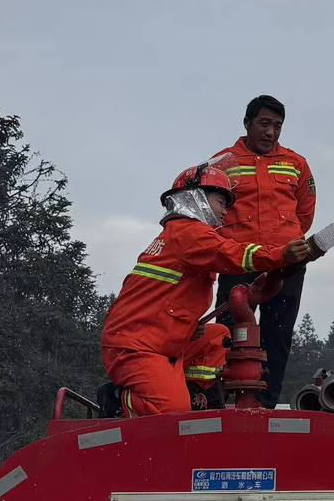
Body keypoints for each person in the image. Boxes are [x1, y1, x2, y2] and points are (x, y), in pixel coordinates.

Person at [99, 160, 310, 417]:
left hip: (158, 340)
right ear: (196, 196)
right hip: (136, 347)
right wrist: (282, 254)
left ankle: (195, 398)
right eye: (222, 203)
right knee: (171, 412)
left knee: (217, 337)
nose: (226, 213)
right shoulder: (189, 233)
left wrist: (189, 325)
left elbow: (165, 298)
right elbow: (234, 254)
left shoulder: (180, 236)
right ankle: (121, 401)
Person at [214, 95, 316, 407]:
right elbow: (211, 210)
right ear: (247, 124)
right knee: (225, 331)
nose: (271, 132)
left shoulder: (296, 164)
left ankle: (265, 402)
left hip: (286, 263)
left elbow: (305, 215)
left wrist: (286, 246)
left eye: (277, 126)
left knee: (278, 332)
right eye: (264, 124)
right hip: (237, 261)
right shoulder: (222, 163)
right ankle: (217, 400)